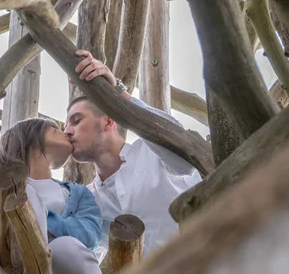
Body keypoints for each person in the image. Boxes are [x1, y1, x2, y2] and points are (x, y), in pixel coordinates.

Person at [64, 49, 203, 262]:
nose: (67, 131)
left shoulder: (152, 153)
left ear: (109, 121)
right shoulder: (91, 200)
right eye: (65, 126)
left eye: (76, 120)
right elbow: (86, 256)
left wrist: (117, 93)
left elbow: (183, 155)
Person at [0, 117, 105, 274]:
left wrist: (47, 221)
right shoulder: (4, 189)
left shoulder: (78, 192)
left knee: (65, 249)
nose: (65, 131)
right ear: (29, 136)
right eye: (54, 127)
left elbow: (91, 234)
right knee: (26, 193)